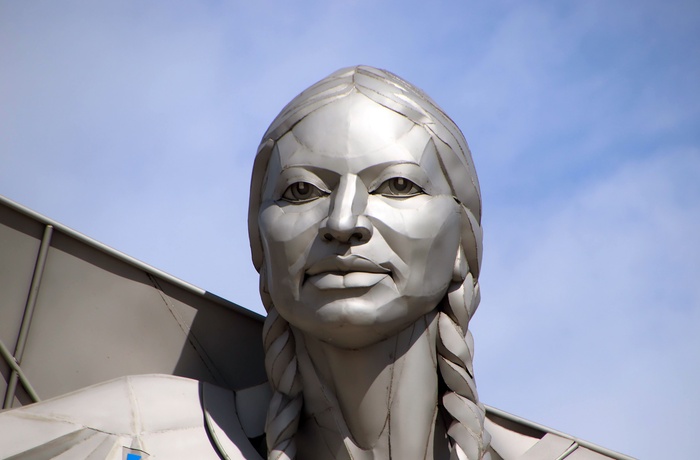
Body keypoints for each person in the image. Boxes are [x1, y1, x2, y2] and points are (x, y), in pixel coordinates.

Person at [0, 66, 491, 460]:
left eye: (397, 185)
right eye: (302, 190)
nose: (343, 222)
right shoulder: (126, 438)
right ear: (260, 245)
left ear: (462, 242)